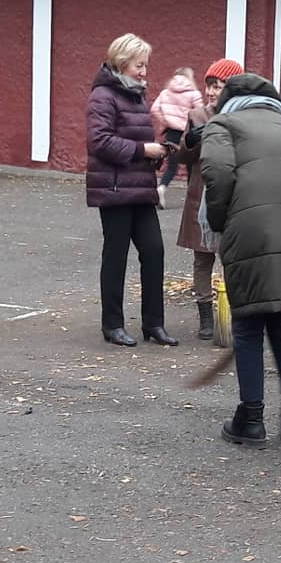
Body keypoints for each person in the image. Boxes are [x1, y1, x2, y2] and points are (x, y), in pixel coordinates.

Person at [200, 73, 281, 447]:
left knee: (247, 322)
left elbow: (217, 174)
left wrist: (220, 221)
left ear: (230, 99)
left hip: (251, 224)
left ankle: (251, 418)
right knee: (280, 318)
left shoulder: (223, 124)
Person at [85, 33, 177, 348]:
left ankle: (154, 324)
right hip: (114, 189)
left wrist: (157, 152)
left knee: (154, 251)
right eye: (139, 65)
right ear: (122, 63)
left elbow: (135, 139)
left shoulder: (136, 95)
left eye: (145, 65)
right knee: (116, 256)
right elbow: (99, 141)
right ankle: (112, 325)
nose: (144, 71)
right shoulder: (102, 96)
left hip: (140, 188)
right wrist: (143, 150)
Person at [175, 59, 243, 339]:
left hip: (233, 197)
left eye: (218, 86)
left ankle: (233, 314)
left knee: (233, 258)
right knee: (202, 259)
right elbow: (183, 157)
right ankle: (205, 316)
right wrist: (190, 141)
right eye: (209, 86)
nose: (211, 92)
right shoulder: (197, 115)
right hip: (201, 196)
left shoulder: (243, 117)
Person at [150, 68, 203, 209]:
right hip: (188, 134)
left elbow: (154, 109)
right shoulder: (193, 93)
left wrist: (166, 121)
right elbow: (200, 113)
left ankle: (161, 188)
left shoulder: (166, 92)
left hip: (171, 133)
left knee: (172, 166)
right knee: (191, 166)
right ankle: (191, 199)